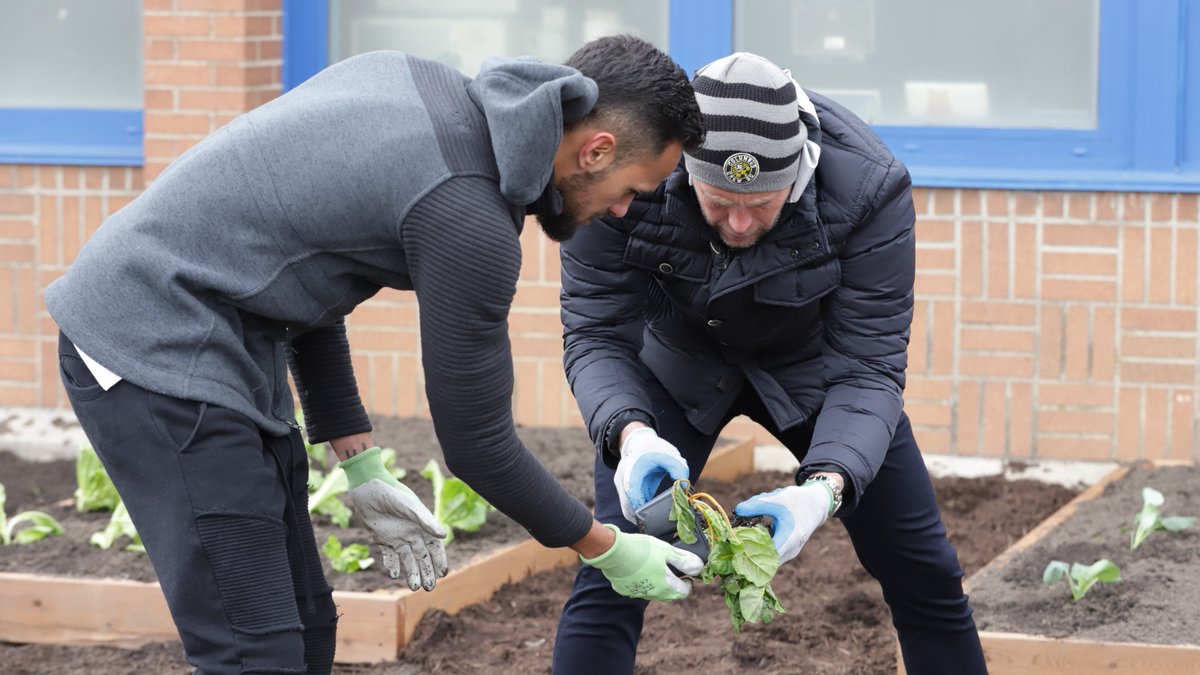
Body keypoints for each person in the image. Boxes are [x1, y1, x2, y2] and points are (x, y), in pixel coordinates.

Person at [44, 35, 707, 675]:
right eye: (633, 190)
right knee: (255, 655)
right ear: (596, 150)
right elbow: (478, 447)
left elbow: (303, 262)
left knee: (307, 629)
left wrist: (356, 456)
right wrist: (605, 546)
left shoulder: (429, 89)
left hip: (218, 338)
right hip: (150, 345)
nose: (623, 211)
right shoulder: (468, 214)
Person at [554, 52, 988, 674]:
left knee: (925, 573)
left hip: (817, 374)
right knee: (615, 571)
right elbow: (595, 331)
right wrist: (630, 432)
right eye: (718, 199)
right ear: (680, 165)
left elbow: (869, 367)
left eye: (761, 202)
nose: (738, 222)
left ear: (801, 172)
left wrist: (823, 490)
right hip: (675, 368)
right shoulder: (633, 165)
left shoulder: (870, 186)